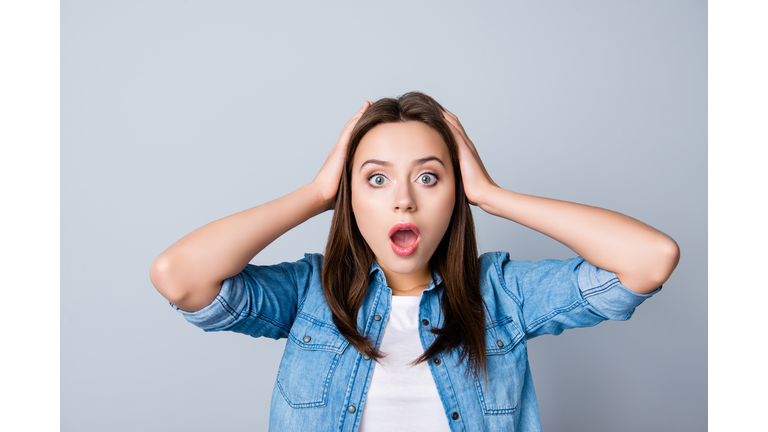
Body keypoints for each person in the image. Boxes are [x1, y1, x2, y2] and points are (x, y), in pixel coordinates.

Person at [150, 92, 680, 432]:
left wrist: (493, 195)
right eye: (376, 179)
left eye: (429, 177)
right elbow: (180, 276)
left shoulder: (501, 294)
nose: (404, 199)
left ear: (456, 194)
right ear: (349, 196)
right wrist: (314, 193)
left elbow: (649, 260)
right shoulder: (308, 293)